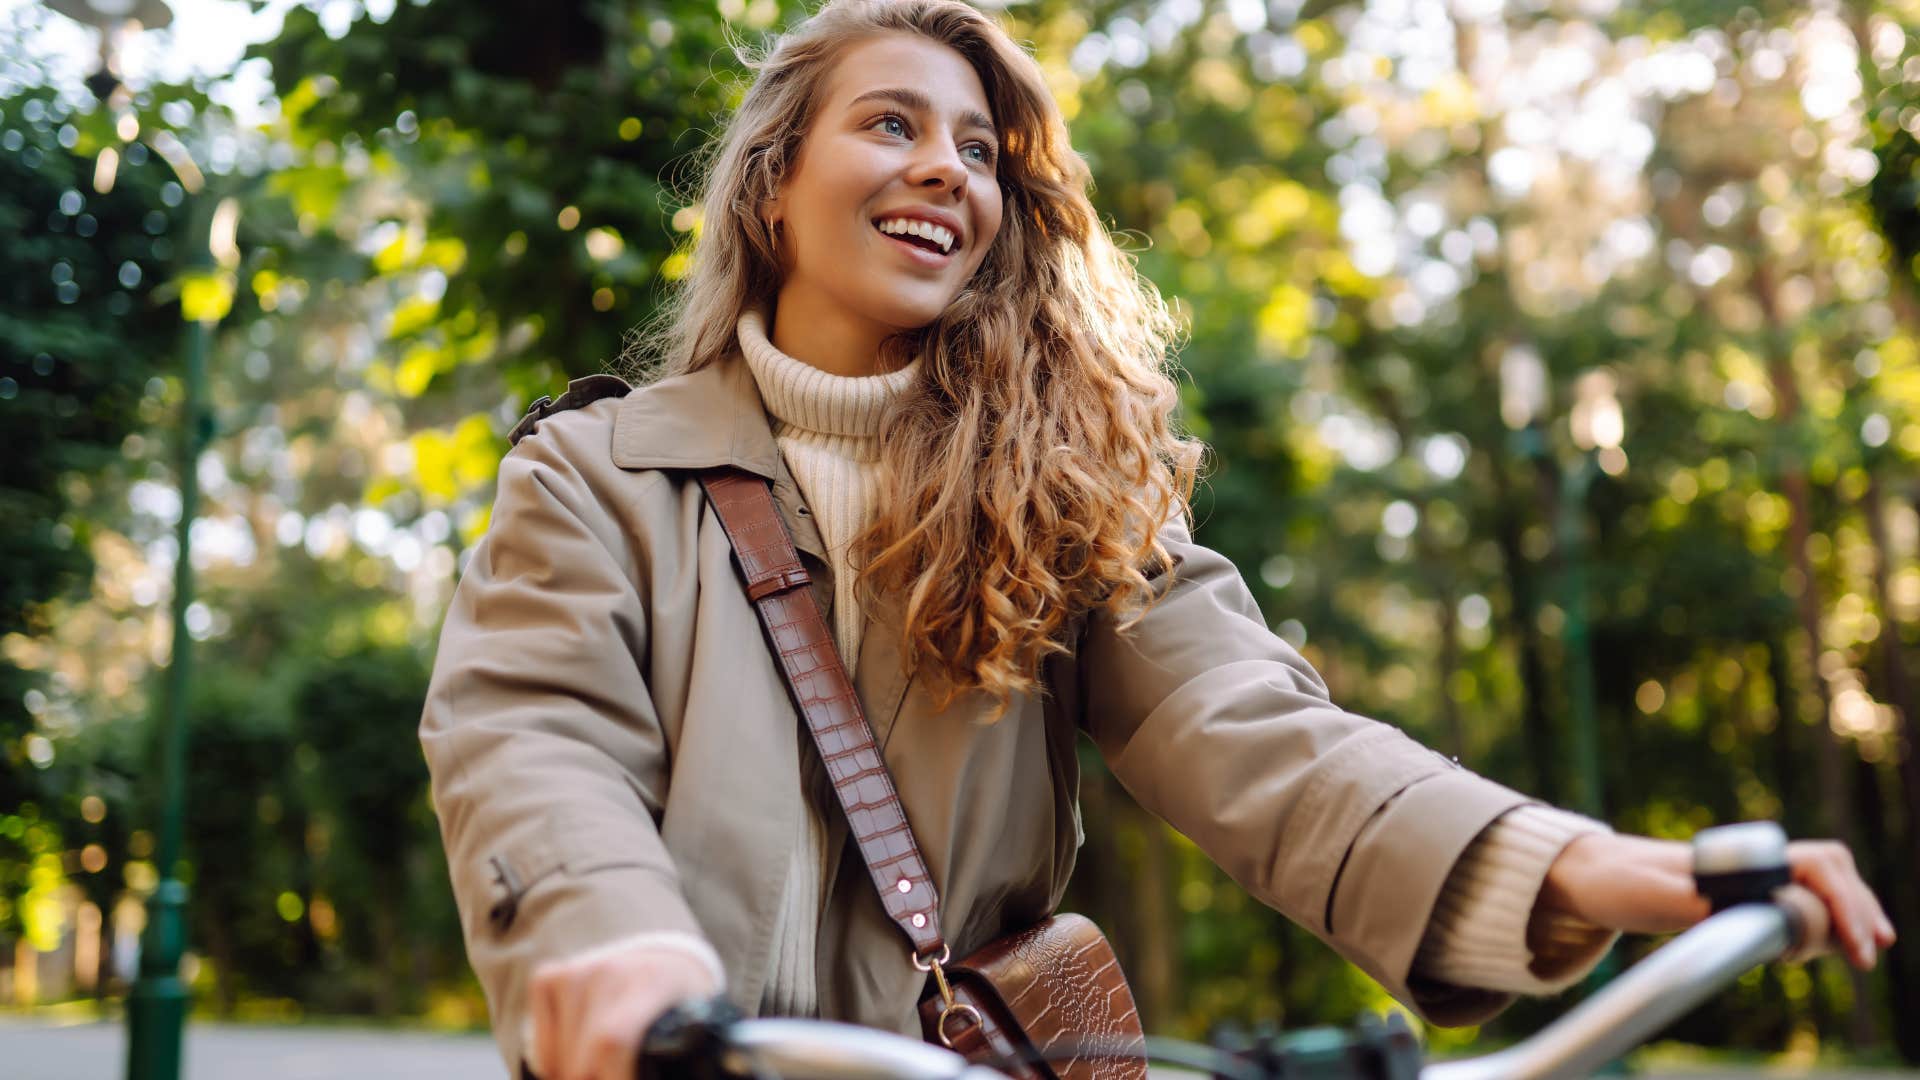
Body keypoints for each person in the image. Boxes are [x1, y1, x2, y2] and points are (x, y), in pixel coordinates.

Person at [417, 3, 1896, 1078]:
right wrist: (611, 939)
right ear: (770, 184)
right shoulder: (598, 472)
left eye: (983, 152)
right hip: (684, 1059)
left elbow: (1251, 732)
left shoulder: (1064, 490)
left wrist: (1578, 867)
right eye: (891, 123)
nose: (947, 168)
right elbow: (535, 732)